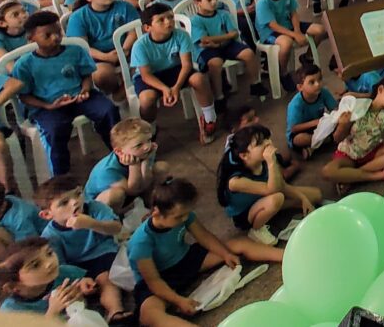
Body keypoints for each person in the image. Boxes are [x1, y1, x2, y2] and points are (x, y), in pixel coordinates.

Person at [127, 178, 282, 326]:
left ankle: (287, 256)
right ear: (156, 213)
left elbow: (204, 237)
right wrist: (178, 300)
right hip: (160, 278)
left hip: (187, 260)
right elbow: (153, 280)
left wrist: (225, 254)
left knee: (239, 244)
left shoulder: (183, 216)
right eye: (179, 216)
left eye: (187, 213)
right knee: (150, 316)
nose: (185, 218)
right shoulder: (140, 242)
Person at [14, 12, 121, 176]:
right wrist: (48, 105)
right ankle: (61, 176)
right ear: (31, 38)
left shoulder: (75, 51)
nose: (55, 38)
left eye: (58, 32)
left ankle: (120, 156)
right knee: (55, 130)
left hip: (80, 96)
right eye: (47, 35)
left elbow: (86, 75)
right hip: (47, 105)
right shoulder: (24, 64)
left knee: (108, 111)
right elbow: (24, 96)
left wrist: (85, 90)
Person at [36, 175, 128, 322]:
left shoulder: (94, 207)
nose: (75, 202)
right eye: (64, 202)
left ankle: (115, 312)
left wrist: (92, 224)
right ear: (47, 214)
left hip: (103, 253)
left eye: (78, 194)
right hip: (75, 266)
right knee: (68, 294)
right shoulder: (50, 235)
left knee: (106, 280)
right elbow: (60, 265)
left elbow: (116, 228)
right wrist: (79, 280)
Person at [216, 124, 321, 245]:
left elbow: (281, 185)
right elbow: (271, 189)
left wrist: (303, 198)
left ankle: (276, 209)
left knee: (315, 195)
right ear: (244, 155)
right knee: (277, 199)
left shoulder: (262, 161)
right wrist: (271, 162)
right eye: (260, 143)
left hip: (263, 197)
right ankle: (256, 229)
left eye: (267, 138)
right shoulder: (236, 181)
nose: (267, 143)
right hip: (246, 213)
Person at [131, 2, 218, 141]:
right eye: (161, 20)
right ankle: (150, 128)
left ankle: (209, 118)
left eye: (171, 17)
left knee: (199, 79)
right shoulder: (140, 46)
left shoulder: (181, 35)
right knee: (147, 99)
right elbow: (146, 75)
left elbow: (186, 65)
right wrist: (166, 89)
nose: (168, 22)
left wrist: (176, 87)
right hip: (152, 76)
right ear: (148, 27)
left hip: (176, 70)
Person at [320, 71, 384, 194]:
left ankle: (352, 178)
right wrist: (343, 125)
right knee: (328, 171)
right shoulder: (359, 106)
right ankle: (376, 176)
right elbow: (337, 138)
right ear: (381, 89)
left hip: (372, 150)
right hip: (349, 153)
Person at [189, 0, 265, 109]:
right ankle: (219, 96)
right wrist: (225, 36)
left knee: (249, 53)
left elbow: (234, 33)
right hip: (206, 50)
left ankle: (255, 84)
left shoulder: (223, 14)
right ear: (198, 3)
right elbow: (204, 40)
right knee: (215, 63)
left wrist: (218, 41)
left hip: (226, 44)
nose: (214, 2)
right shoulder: (195, 21)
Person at [255, 0, 326, 93]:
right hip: (269, 31)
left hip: (288, 25)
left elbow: (294, 14)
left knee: (320, 30)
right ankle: (283, 73)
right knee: (286, 43)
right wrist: (295, 35)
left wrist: (297, 31)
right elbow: (273, 26)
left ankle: (307, 57)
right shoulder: (263, 2)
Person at [0, 236, 99, 317]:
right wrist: (53, 310)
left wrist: (87, 286)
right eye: (35, 265)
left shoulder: (66, 272)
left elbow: (93, 290)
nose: (49, 263)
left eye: (49, 253)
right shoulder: (11, 310)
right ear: (13, 286)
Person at [84, 117, 168, 213]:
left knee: (161, 168)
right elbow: (133, 190)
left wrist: (146, 161)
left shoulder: (141, 152)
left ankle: (151, 206)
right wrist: (134, 166)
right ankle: (114, 219)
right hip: (97, 205)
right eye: (138, 145)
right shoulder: (107, 170)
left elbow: (145, 181)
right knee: (116, 195)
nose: (147, 147)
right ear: (119, 151)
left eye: (149, 140)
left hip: (131, 188)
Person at [284, 64, 338, 158]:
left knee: (342, 122)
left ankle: (314, 146)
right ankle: (327, 140)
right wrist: (315, 122)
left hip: (319, 126)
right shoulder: (295, 104)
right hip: (302, 130)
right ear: (300, 87)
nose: (318, 84)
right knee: (300, 139)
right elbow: (294, 128)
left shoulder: (324, 92)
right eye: (312, 82)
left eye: (319, 79)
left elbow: (335, 109)